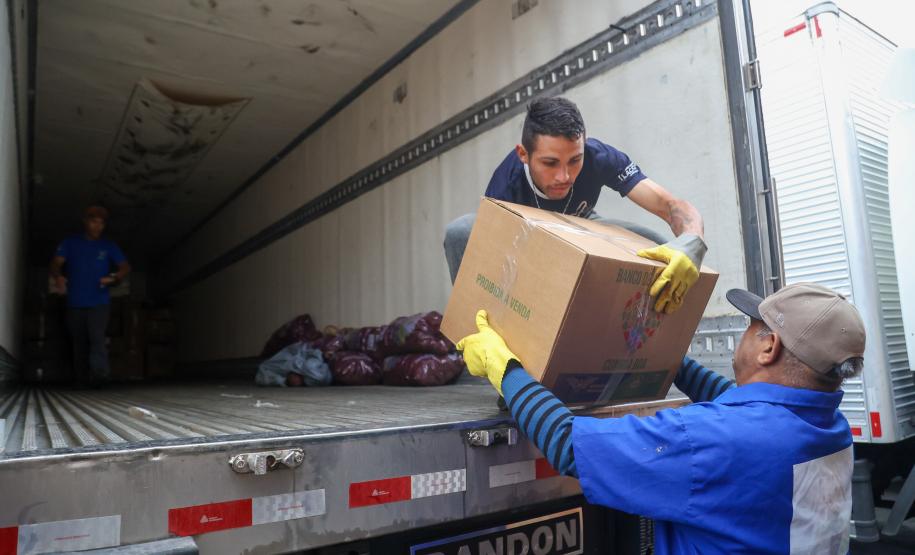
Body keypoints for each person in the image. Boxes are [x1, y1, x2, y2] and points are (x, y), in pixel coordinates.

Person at [457, 282, 865, 554]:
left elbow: (568, 445)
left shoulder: (711, 440)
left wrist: (504, 368)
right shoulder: (829, 430)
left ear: (768, 347)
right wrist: (664, 350)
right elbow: (741, 405)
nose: (744, 333)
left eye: (749, 326)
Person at [444, 96, 707, 314]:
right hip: (528, 242)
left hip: (580, 224)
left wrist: (691, 243)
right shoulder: (504, 188)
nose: (564, 176)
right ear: (523, 154)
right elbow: (498, 267)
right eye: (550, 163)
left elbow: (668, 204)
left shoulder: (600, 156)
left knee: (654, 243)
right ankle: (480, 339)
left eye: (574, 160)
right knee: (461, 231)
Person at [50, 206, 131, 385]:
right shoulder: (70, 243)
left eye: (101, 223)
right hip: (75, 302)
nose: (98, 227)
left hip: (99, 301)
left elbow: (125, 267)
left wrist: (113, 277)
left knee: (96, 337)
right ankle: (82, 379)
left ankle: (101, 376)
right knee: (78, 342)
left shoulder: (108, 246)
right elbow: (56, 263)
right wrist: (58, 276)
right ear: (85, 221)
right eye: (94, 222)